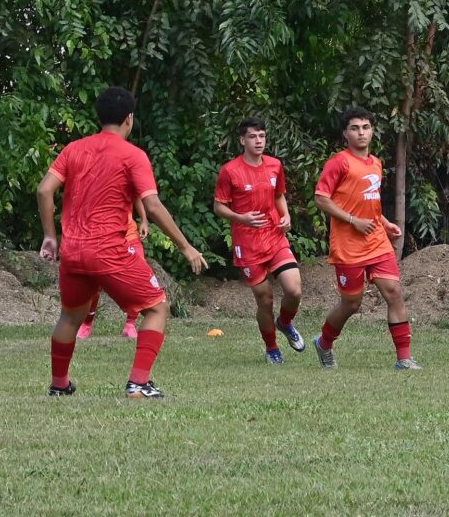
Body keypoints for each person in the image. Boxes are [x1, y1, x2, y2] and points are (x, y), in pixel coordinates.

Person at [36, 86, 207, 398]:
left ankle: (59, 385)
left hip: (73, 251)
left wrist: (50, 236)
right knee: (157, 308)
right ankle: (138, 384)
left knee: (70, 317)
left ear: (99, 116)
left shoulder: (73, 149)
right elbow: (152, 206)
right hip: (110, 251)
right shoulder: (133, 156)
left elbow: (45, 190)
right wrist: (185, 246)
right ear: (129, 118)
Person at [311, 106, 422, 370]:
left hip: (376, 240)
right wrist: (352, 221)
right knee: (351, 303)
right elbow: (321, 198)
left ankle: (404, 358)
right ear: (345, 134)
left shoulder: (376, 163)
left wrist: (384, 223)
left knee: (394, 292)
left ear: (372, 132)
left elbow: (369, 201)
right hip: (348, 244)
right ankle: (324, 342)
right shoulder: (339, 162)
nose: (361, 133)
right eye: (355, 128)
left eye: (366, 127)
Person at [213, 117, 305, 364]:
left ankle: (285, 323)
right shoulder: (230, 171)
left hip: (274, 236)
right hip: (248, 245)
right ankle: (272, 347)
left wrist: (285, 215)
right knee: (265, 299)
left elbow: (279, 196)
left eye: (262, 136)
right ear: (242, 140)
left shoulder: (275, 165)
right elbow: (219, 206)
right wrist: (240, 218)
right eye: (253, 137)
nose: (258, 141)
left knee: (294, 289)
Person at [77, 202, 150, 340]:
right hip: (102, 235)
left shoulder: (130, 179)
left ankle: (130, 324)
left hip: (129, 234)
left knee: (138, 277)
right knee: (94, 280)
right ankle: (87, 323)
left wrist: (144, 220)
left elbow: (138, 195)